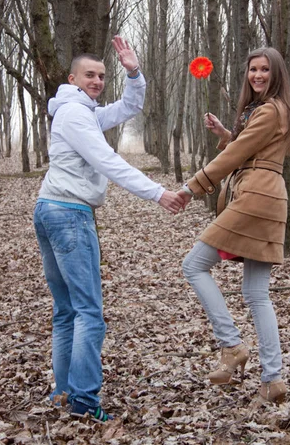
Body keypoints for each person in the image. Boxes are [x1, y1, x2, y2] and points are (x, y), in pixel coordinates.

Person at [34, 36, 184, 422]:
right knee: (88, 313)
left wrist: (133, 72)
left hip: (53, 209)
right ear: (72, 78)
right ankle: (83, 400)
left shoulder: (83, 111)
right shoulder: (74, 114)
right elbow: (107, 161)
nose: (97, 81)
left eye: (102, 75)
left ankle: (65, 392)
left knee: (67, 311)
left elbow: (130, 106)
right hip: (67, 214)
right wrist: (157, 193)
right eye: (90, 75)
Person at [178, 47, 290, 405]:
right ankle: (272, 380)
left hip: (255, 199)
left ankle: (231, 345)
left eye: (264, 70)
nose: (257, 75)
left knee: (194, 265)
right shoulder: (273, 111)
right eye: (253, 70)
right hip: (269, 197)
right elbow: (250, 147)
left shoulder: (271, 109)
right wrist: (227, 132)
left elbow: (237, 155)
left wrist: (191, 187)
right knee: (257, 295)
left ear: (276, 74)